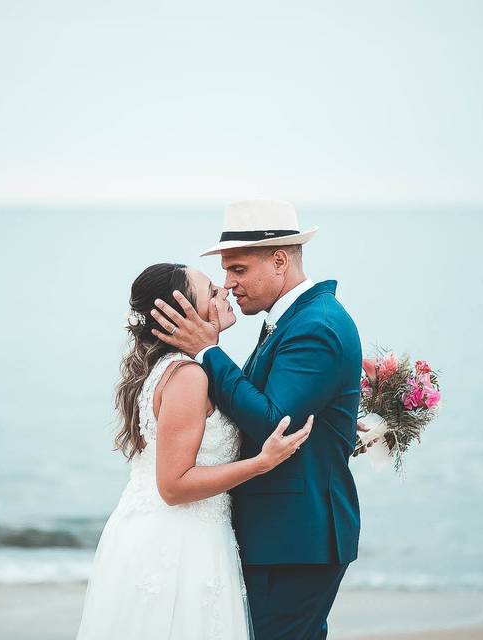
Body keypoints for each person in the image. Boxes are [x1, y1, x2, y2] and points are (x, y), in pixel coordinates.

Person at [151, 199, 363, 639]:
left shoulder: (316, 325)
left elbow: (273, 423)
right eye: (226, 272)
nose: (228, 284)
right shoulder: (294, 320)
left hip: (296, 540)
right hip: (282, 535)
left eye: (238, 269)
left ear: (280, 260)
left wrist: (207, 352)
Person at [75, 261, 313, 640]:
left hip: (166, 533)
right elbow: (174, 485)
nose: (225, 291)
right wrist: (260, 463)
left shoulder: (177, 367)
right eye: (211, 290)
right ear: (183, 313)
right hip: (179, 546)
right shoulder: (187, 376)